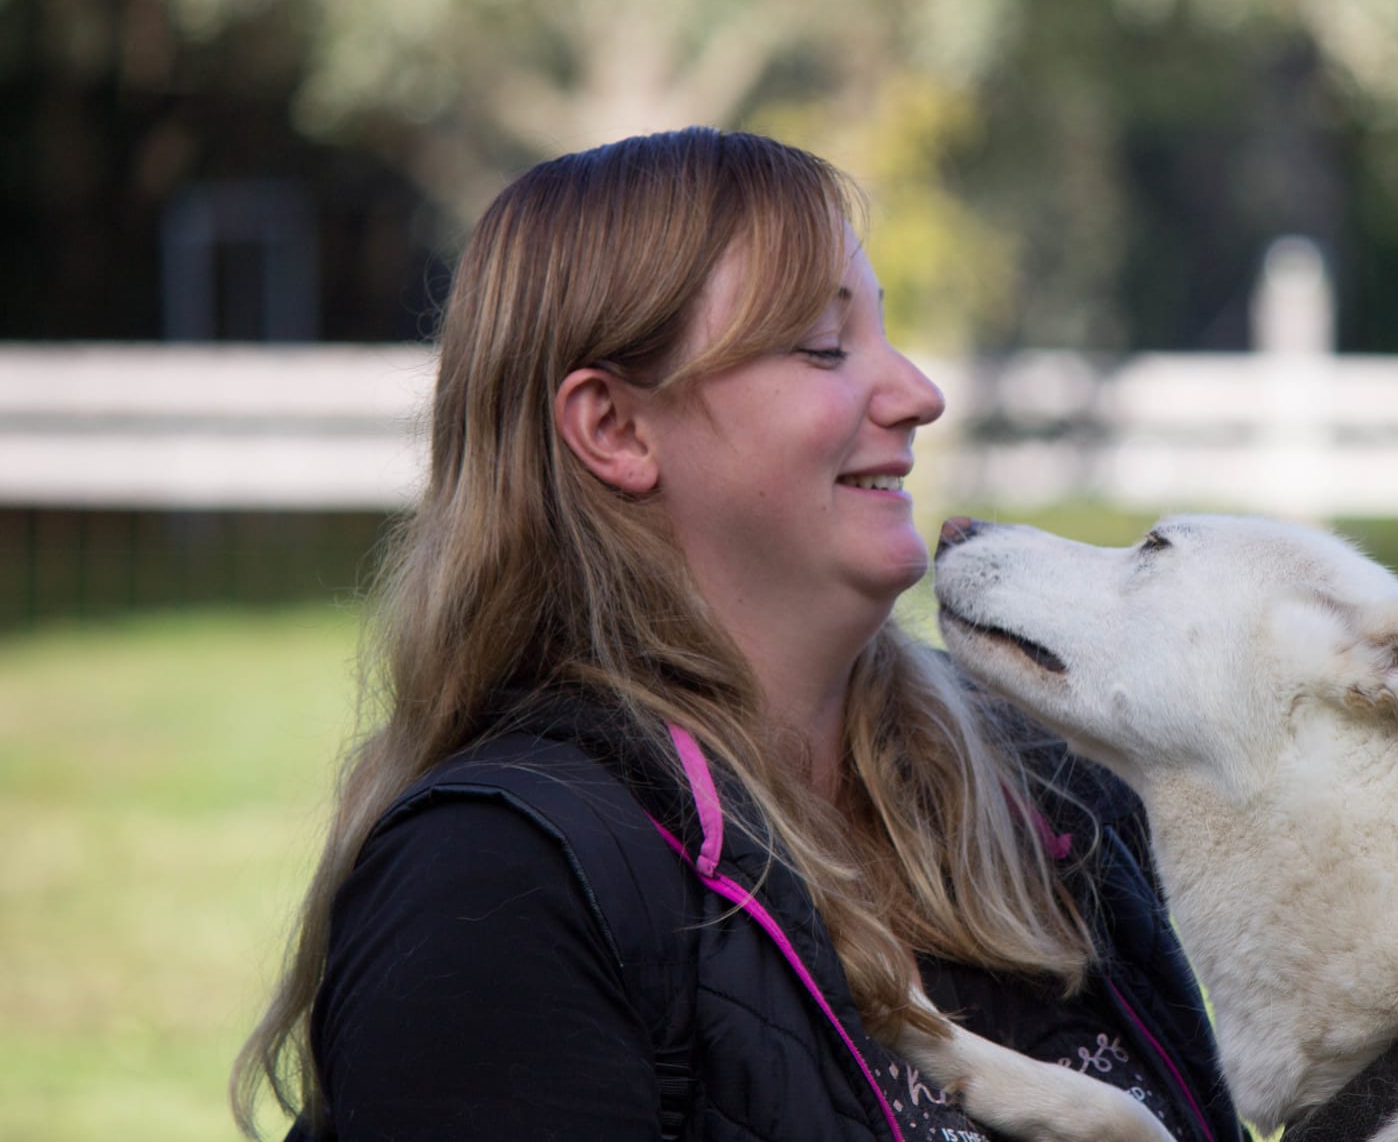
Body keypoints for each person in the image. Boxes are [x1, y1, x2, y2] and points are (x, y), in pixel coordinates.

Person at [231, 127, 1245, 1142]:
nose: (918, 395)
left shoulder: (1054, 779)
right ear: (616, 429)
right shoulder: (493, 887)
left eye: (884, 332)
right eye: (821, 345)